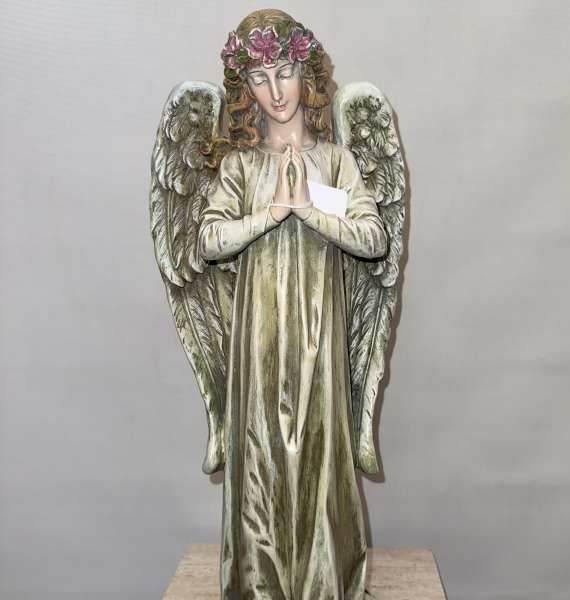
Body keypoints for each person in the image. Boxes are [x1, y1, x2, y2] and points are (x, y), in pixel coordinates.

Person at [197, 9, 387, 599]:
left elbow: (374, 238)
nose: (276, 92)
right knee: (260, 459)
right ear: (245, 89)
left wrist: (308, 209)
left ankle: (323, 584)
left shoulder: (335, 162)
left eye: (285, 72)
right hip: (258, 340)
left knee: (319, 457)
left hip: (320, 340)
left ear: (307, 74)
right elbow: (208, 241)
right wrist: (272, 212)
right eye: (260, 78)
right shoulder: (240, 166)